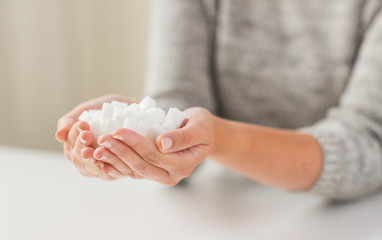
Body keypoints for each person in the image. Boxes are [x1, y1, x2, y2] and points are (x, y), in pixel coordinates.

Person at [55, 1, 382, 200]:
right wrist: (149, 130)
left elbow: (368, 145)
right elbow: (178, 97)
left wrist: (218, 140)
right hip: (219, 201)